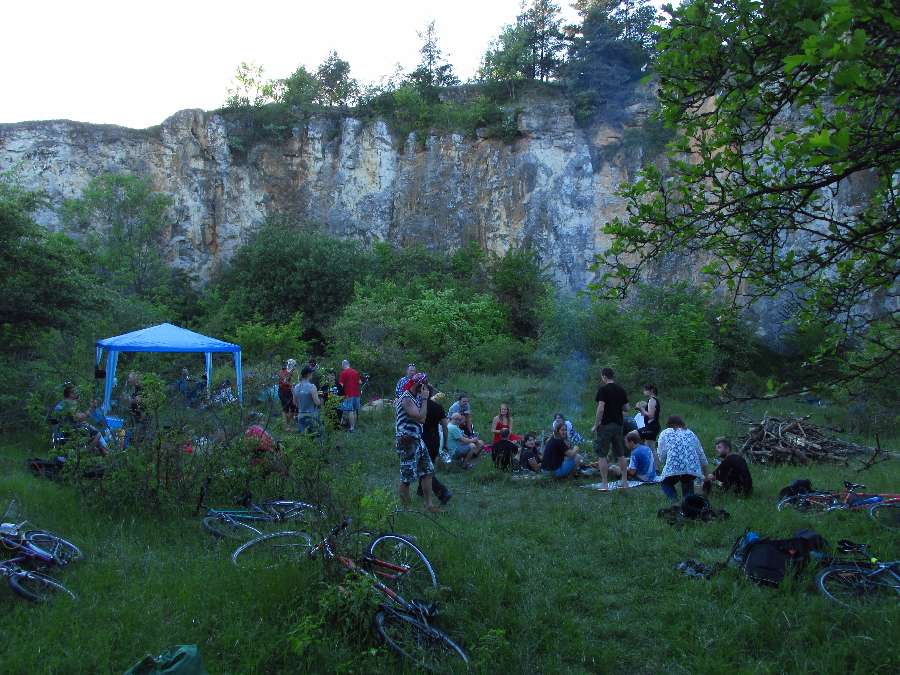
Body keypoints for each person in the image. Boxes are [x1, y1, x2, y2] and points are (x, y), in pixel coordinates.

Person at [395, 373, 439, 512]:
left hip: (417, 440)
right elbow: (421, 418)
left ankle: (429, 505)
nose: (426, 388)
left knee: (428, 471)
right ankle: (407, 510)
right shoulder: (407, 399)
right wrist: (425, 399)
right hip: (407, 441)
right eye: (424, 385)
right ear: (418, 385)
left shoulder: (416, 397)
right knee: (407, 477)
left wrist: (424, 398)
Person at [591, 367, 630, 490]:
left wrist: (596, 424)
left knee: (602, 454)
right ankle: (624, 482)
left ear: (604, 376)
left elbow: (601, 408)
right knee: (620, 454)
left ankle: (605, 484)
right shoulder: (621, 390)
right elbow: (627, 408)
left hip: (606, 425)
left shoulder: (603, 390)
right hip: (618, 425)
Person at [658, 415, 709, 503]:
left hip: (674, 466)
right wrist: (706, 475)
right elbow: (701, 454)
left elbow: (661, 455)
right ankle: (689, 504)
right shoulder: (690, 433)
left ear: (669, 424)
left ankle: (674, 502)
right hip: (692, 467)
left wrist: (664, 461)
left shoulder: (665, 433)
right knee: (687, 481)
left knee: (665, 483)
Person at [419, 384, 452, 505]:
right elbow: (445, 427)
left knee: (424, 470)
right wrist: (445, 443)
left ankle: (442, 492)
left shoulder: (418, 406)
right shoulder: (438, 407)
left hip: (422, 441)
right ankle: (420, 491)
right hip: (435, 441)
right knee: (428, 466)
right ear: (432, 393)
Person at [52, 384, 107, 455]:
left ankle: (104, 453)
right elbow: (79, 417)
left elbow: (74, 418)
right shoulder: (69, 404)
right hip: (70, 432)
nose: (77, 393)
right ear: (71, 394)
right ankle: (84, 453)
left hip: (60, 433)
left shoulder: (61, 404)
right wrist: (91, 408)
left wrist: (82, 421)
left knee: (92, 433)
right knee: (98, 434)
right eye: (75, 392)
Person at [637, 384, 662, 466]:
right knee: (650, 447)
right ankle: (654, 467)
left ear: (651, 391)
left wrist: (641, 409)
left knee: (633, 435)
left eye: (645, 390)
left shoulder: (652, 400)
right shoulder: (652, 400)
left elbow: (651, 415)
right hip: (652, 426)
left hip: (652, 427)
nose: (644, 392)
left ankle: (655, 467)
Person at [293, 366, 322, 436]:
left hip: (300, 415)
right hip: (311, 416)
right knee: (316, 435)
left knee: (305, 437)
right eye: (311, 373)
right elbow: (317, 402)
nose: (312, 374)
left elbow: (294, 402)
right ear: (308, 374)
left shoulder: (296, 387)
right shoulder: (312, 387)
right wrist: (321, 399)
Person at [337, 359, 363, 432]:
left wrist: (339, 393)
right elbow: (360, 382)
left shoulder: (343, 373)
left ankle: (352, 428)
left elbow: (341, 385)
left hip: (348, 394)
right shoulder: (355, 372)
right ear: (349, 364)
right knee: (354, 410)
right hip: (357, 394)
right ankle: (354, 425)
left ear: (343, 365)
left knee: (350, 410)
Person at [278, 359, 297, 429]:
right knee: (285, 408)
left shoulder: (294, 372)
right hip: (283, 391)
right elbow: (285, 381)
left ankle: (289, 423)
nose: (294, 367)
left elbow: (296, 381)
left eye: (294, 365)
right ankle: (285, 425)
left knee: (293, 407)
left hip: (291, 391)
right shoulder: (282, 371)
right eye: (293, 365)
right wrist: (290, 374)